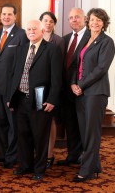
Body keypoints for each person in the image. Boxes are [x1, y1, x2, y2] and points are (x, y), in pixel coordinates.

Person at [9, 20, 62, 181]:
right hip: (20, 99)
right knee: (23, 135)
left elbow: (57, 78)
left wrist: (52, 99)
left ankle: (39, 169)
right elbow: (14, 74)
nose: (31, 31)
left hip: (41, 100)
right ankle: (25, 166)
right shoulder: (21, 49)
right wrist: (11, 98)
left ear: (42, 30)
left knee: (40, 136)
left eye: (34, 29)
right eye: (29, 29)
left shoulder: (52, 49)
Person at [70, 8, 115, 182]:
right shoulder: (86, 40)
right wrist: (73, 83)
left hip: (96, 92)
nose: (95, 23)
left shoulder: (107, 42)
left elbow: (101, 69)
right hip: (80, 92)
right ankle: (94, 165)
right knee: (84, 131)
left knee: (91, 132)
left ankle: (87, 170)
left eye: (99, 20)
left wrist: (80, 84)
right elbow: (75, 64)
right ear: (88, 22)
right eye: (92, 20)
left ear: (104, 23)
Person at [0, 4, 28, 169]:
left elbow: (22, 64)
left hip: (12, 89)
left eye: (9, 14)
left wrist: (16, 89)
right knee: (0, 123)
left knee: (13, 125)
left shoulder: (22, 35)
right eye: (4, 14)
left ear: (15, 16)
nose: (6, 17)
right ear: (0, 16)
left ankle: (12, 157)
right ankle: (1, 153)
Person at [57, 8, 90, 166]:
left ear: (85, 18)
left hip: (83, 90)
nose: (74, 20)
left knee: (83, 125)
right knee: (70, 124)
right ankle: (73, 155)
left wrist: (77, 84)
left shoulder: (92, 37)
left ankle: (86, 157)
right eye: (71, 18)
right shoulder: (65, 39)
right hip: (66, 91)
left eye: (77, 17)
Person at [39, 11, 65, 169]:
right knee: (38, 119)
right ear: (41, 22)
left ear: (54, 24)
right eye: (46, 20)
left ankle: (49, 154)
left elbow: (59, 67)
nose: (48, 23)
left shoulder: (59, 41)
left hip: (52, 86)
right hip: (37, 87)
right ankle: (39, 153)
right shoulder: (35, 36)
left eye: (51, 21)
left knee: (51, 120)